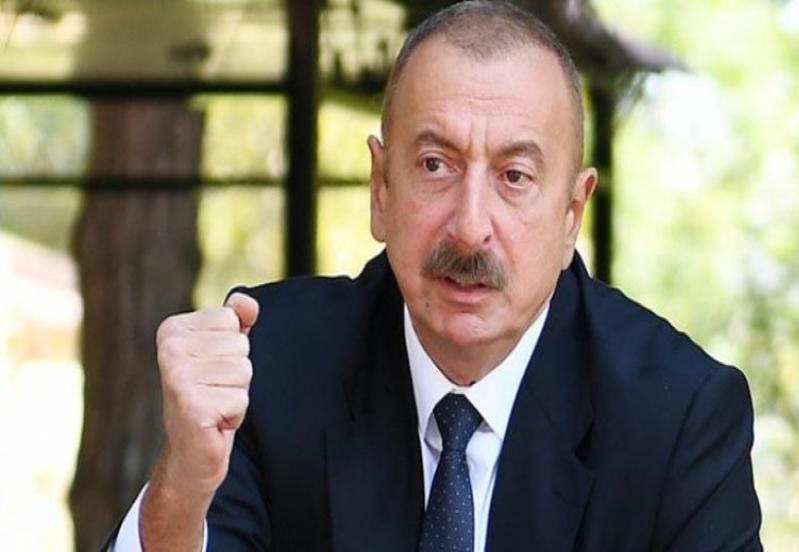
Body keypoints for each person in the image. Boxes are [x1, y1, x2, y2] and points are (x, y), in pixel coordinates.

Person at [109, 1, 762, 550]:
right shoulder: (274, 365)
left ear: (572, 214)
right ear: (380, 190)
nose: (471, 228)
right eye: (434, 165)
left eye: (514, 177)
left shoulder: (678, 418)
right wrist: (185, 485)